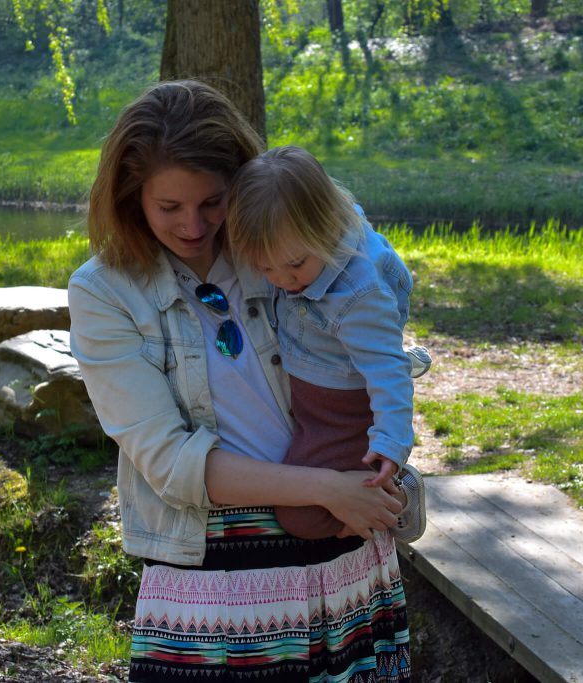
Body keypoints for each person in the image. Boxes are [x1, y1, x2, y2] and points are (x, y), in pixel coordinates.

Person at [67, 80, 413, 682]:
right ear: (130, 198)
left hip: (341, 541)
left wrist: (373, 473)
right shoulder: (103, 293)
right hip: (212, 566)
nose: (195, 226)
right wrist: (325, 489)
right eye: (168, 208)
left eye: (212, 203)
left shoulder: (284, 246)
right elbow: (171, 462)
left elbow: (370, 345)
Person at [226, 145, 429, 543]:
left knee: (300, 518)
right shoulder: (304, 237)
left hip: (342, 413)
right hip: (309, 399)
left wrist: (390, 445)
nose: (282, 279)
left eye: (296, 264)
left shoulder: (357, 294)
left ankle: (394, 498)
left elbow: (388, 373)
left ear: (324, 226)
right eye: (265, 267)